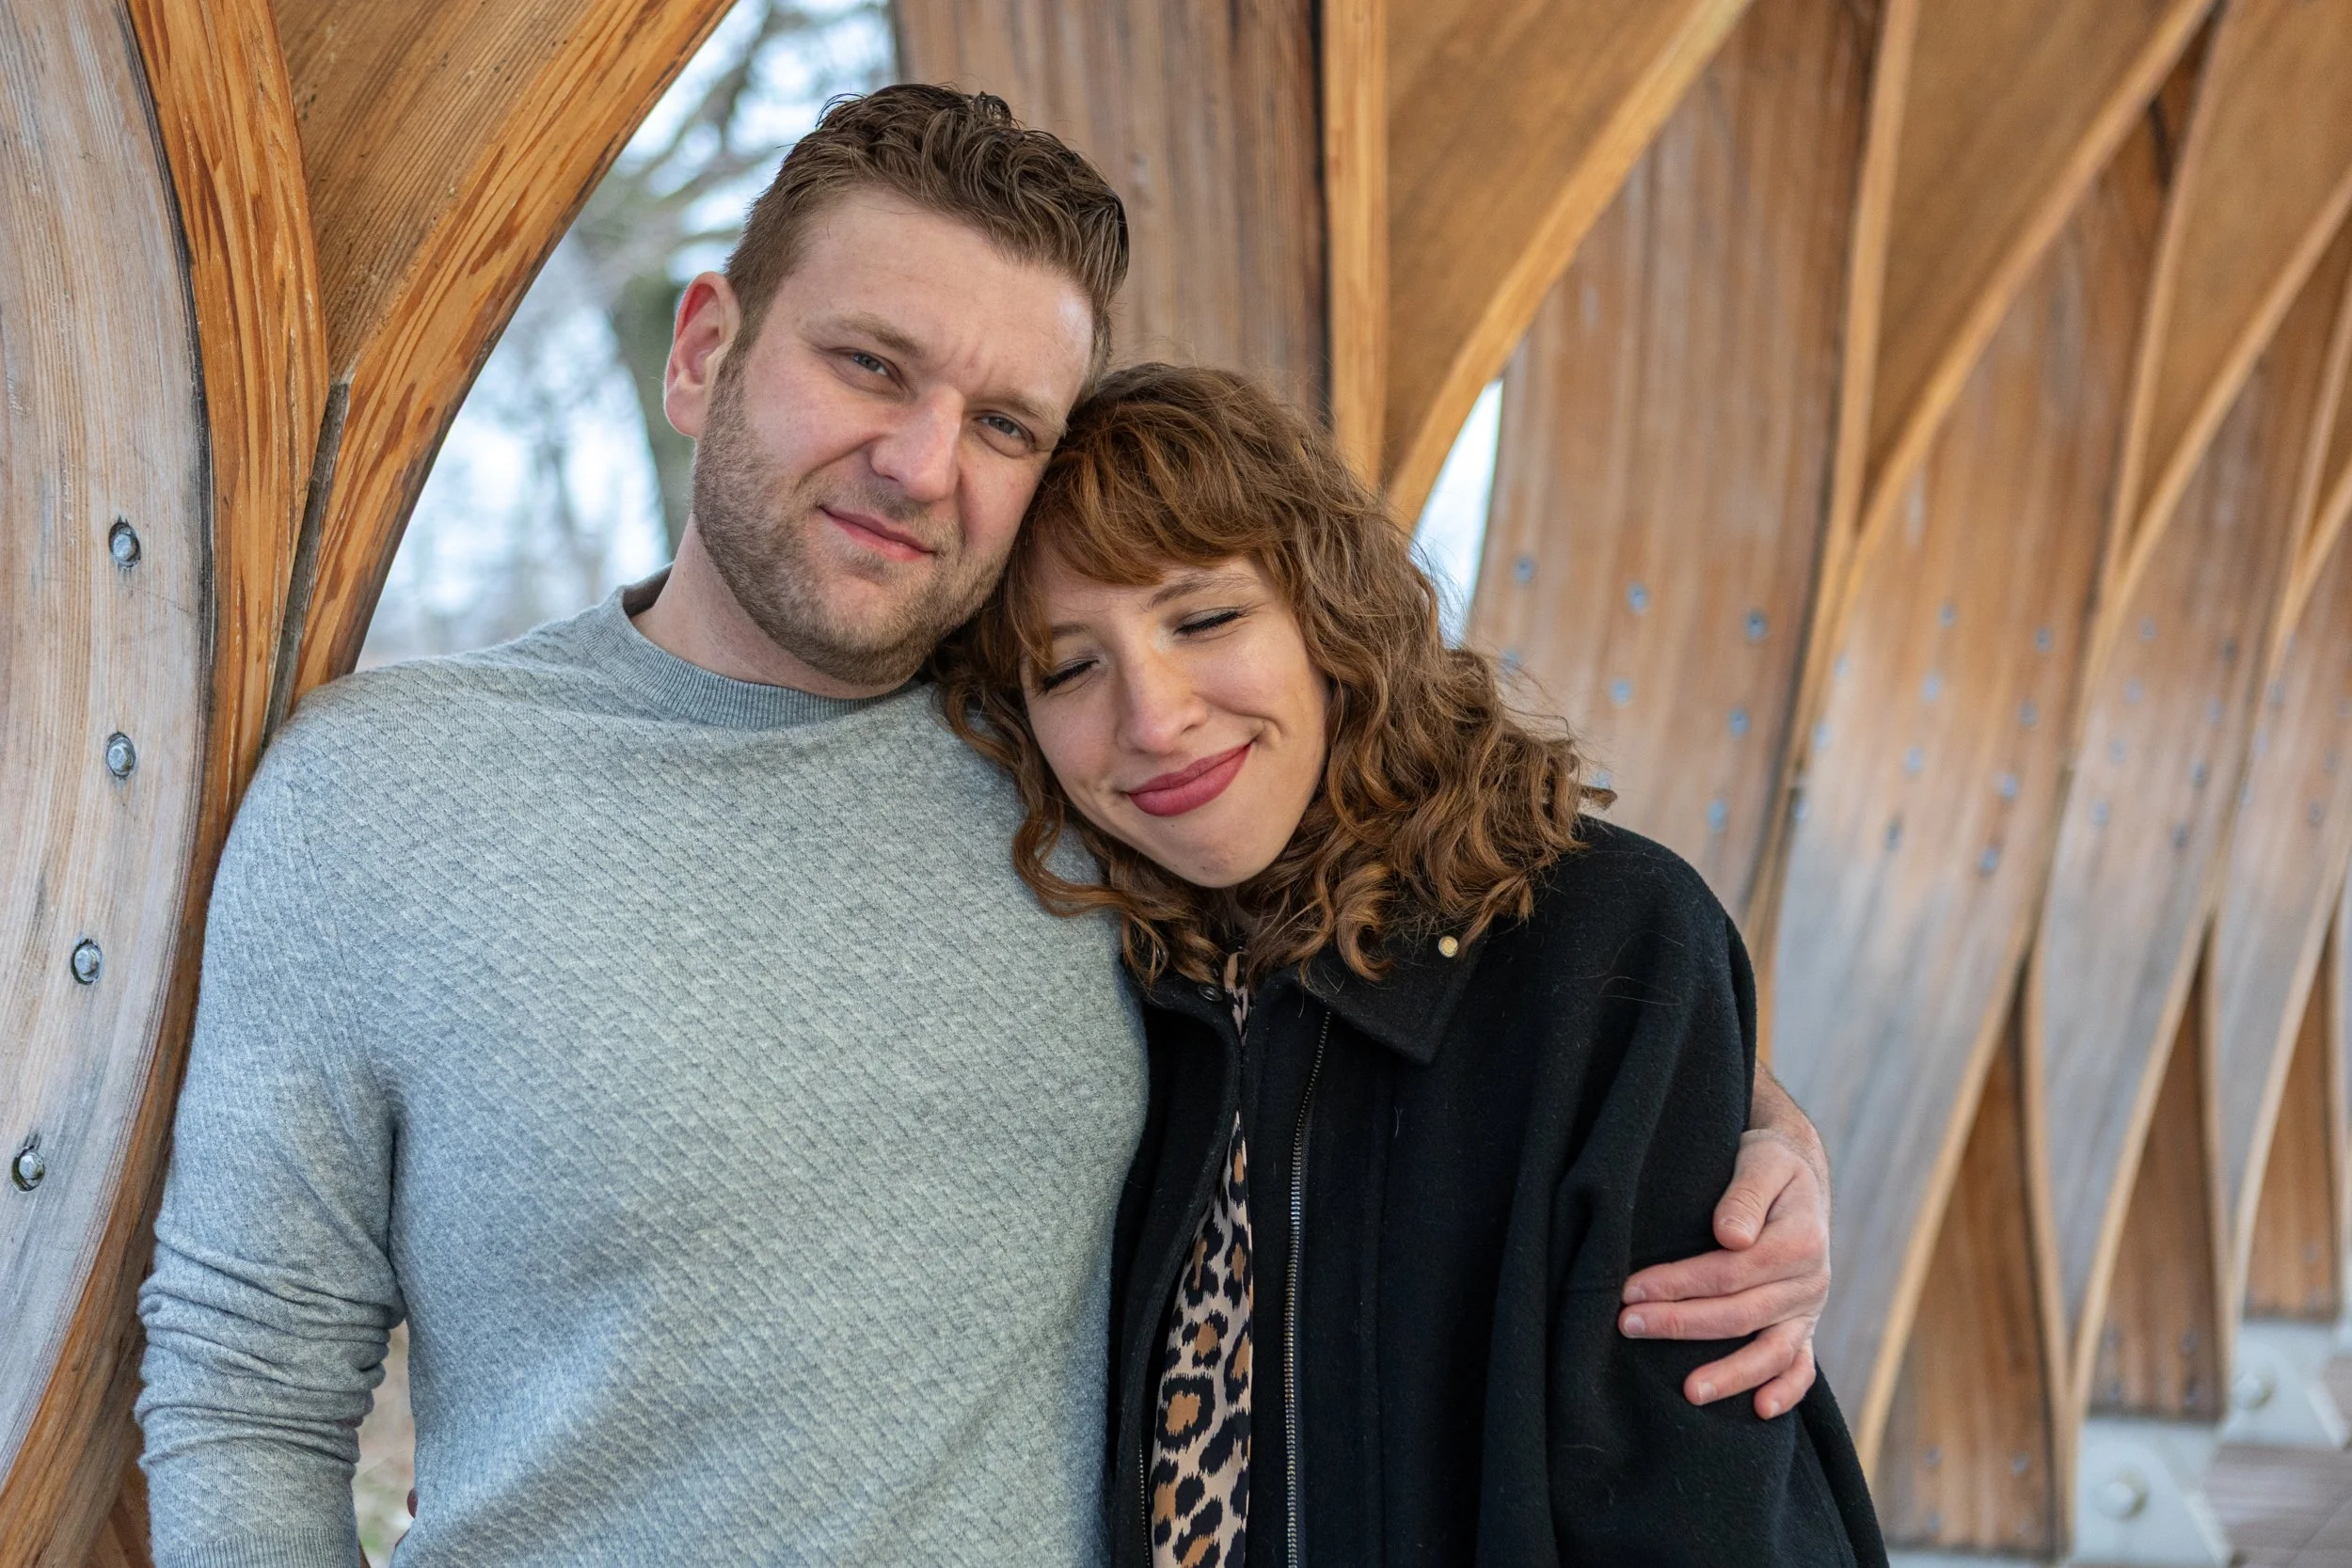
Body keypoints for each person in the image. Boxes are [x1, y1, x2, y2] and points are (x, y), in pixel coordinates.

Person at [136, 87, 1832, 1566]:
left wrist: (1749, 1125)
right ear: (709, 345)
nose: (922, 459)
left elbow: (1430, 969)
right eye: (869, 364)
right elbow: (245, 1388)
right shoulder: (389, 795)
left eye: (1005, 422)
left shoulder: (1078, 775)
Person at [936, 362, 1884, 1566]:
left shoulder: (1608, 942)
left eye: (1204, 616)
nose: (1153, 715)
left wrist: (1752, 1107)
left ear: (1327, 613)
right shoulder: (1107, 978)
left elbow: (1692, 1510)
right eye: (1068, 666)